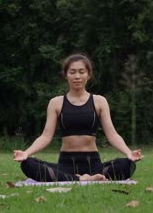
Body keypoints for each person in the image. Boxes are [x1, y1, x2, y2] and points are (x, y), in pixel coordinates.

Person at [13, 53, 142, 181]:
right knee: (28, 164)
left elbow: (112, 134)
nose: (77, 76)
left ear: (88, 74)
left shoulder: (99, 101)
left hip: (93, 164)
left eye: (81, 72)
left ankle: (71, 179)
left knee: (128, 165)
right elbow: (46, 136)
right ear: (66, 75)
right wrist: (26, 153)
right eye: (72, 72)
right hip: (66, 163)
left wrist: (128, 152)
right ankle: (81, 179)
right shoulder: (55, 103)